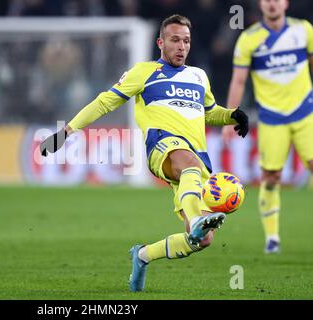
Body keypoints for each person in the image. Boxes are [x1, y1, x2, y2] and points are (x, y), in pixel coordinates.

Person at [40, 14, 249, 292]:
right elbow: (105, 102)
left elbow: (209, 112)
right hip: (163, 148)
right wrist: (67, 131)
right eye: (175, 40)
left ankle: (142, 255)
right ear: (160, 42)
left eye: (186, 41)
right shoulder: (144, 72)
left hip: (196, 160)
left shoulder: (199, 76)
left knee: (201, 240)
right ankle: (197, 218)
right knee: (189, 166)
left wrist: (233, 115)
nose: (181, 47)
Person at [223, 0, 313, 254]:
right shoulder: (249, 39)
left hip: (306, 112)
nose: (272, 4)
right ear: (260, 4)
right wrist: (230, 117)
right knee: (271, 176)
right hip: (272, 117)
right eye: (266, 0)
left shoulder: (304, 30)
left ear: (285, 3)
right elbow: (238, 80)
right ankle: (272, 238)